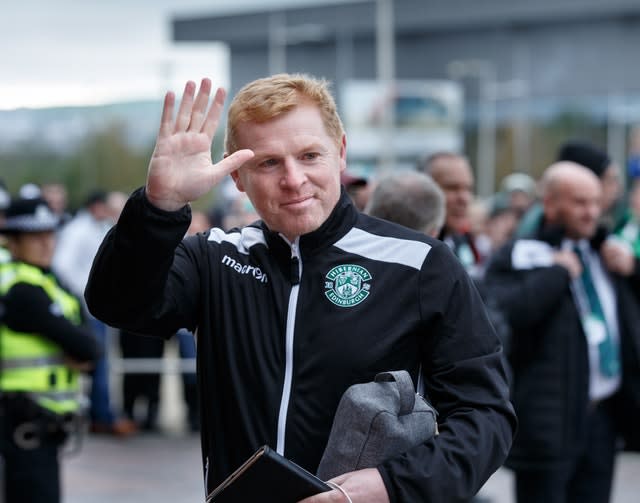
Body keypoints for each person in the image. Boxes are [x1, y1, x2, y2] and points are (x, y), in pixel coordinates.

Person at [85, 74, 515, 502]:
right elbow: (118, 304)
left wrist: (392, 484)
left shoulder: (420, 263)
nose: (293, 180)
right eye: (268, 163)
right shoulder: (215, 259)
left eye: (309, 155)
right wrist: (159, 207)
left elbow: (485, 416)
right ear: (237, 175)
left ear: (341, 152)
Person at [484, 162, 640, 503]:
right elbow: (508, 314)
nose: (592, 212)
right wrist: (556, 273)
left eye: (596, 203)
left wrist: (634, 270)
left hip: (603, 417)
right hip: (548, 424)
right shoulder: (521, 253)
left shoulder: (604, 251)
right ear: (551, 204)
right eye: (581, 203)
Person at [0, 195, 101, 503]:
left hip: (46, 422)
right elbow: (86, 346)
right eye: (34, 236)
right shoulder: (21, 289)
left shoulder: (51, 281)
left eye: (49, 233)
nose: (46, 243)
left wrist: (84, 351)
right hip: (21, 418)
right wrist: (81, 352)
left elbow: (91, 348)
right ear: (13, 242)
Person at [52, 190, 136, 436]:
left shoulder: (93, 227)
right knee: (100, 362)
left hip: (94, 307)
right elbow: (63, 266)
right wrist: (90, 291)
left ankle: (100, 415)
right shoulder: (79, 231)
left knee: (101, 363)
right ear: (97, 207)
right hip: (87, 309)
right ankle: (103, 416)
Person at [417, 152, 482, 276]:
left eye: (468, 189)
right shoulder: (409, 249)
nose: (464, 198)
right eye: (452, 188)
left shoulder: (463, 241)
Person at [364, 170, 445, 237]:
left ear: (368, 210)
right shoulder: (443, 254)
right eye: (452, 187)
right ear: (433, 233)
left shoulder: (353, 248)